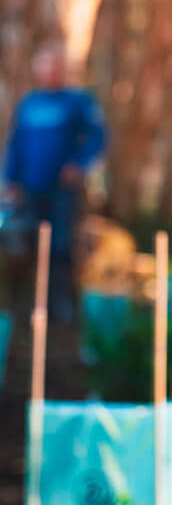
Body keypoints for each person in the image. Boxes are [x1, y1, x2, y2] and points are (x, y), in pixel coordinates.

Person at [1, 43, 107, 322]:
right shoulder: (29, 103)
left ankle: (62, 306)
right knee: (30, 244)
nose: (50, 73)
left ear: (63, 71)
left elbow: (97, 138)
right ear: (38, 72)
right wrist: (9, 179)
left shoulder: (78, 101)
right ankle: (33, 304)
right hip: (30, 189)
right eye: (45, 68)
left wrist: (79, 165)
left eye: (55, 68)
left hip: (63, 190)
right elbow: (16, 144)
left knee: (61, 244)